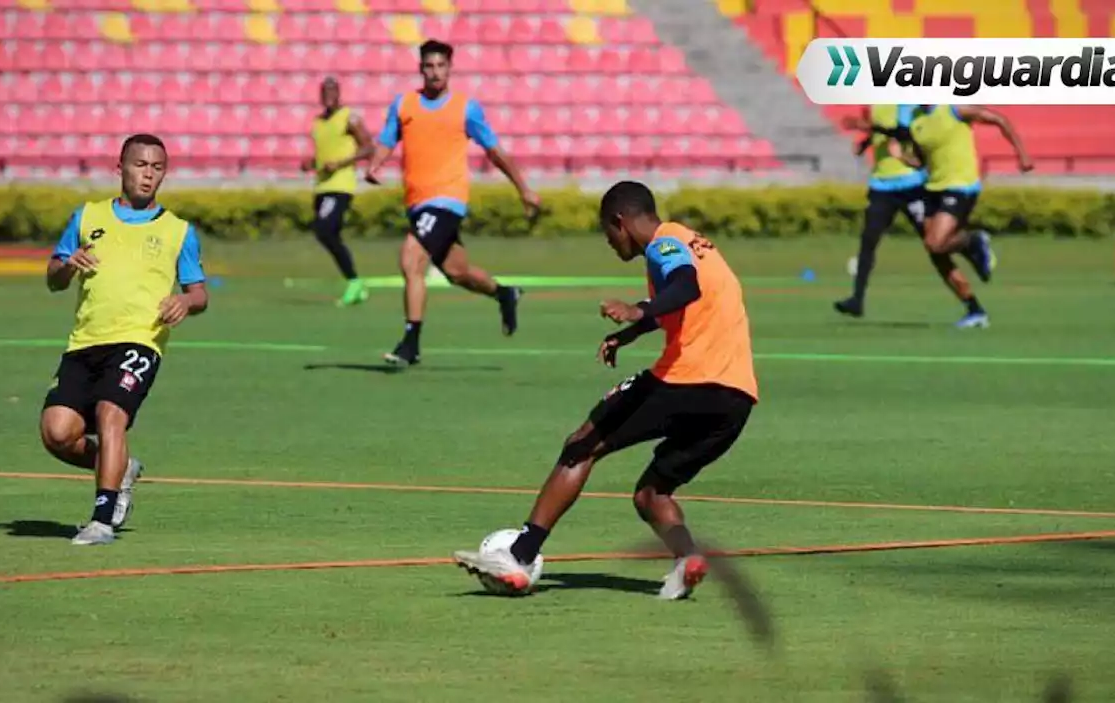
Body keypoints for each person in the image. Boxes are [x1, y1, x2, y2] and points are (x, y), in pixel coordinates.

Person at [453, 181, 758, 600]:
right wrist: (634, 331)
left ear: (621, 221)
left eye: (608, 234)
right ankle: (687, 557)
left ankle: (519, 556)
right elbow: (687, 299)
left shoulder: (664, 244)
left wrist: (640, 308)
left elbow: (686, 286)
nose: (610, 244)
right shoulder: (695, 242)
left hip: (689, 379)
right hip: (736, 398)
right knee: (651, 494)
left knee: (581, 445)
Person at [40, 133, 209, 546]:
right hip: (85, 341)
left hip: (140, 340)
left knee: (109, 412)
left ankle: (101, 519)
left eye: (157, 168)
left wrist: (185, 302)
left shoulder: (178, 231)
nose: (148, 175)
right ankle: (121, 467)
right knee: (57, 434)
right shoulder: (87, 217)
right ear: (120, 168)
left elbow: (200, 293)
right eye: (140, 165)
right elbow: (54, 278)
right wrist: (68, 266)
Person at [364, 39, 541, 367]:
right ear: (420, 69)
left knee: (411, 258)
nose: (435, 72)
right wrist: (375, 164)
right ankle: (504, 293)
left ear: (450, 68)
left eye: (440, 66)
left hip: (447, 199)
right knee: (457, 272)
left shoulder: (465, 108)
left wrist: (523, 188)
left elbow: (495, 151)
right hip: (417, 202)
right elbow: (386, 141)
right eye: (429, 66)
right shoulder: (403, 106)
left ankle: (410, 343)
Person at [894, 105, 1034, 329]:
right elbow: (923, 161)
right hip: (933, 189)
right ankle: (974, 310)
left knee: (935, 242)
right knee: (935, 253)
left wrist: (1022, 154)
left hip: (960, 187)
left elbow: (1000, 119)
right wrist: (903, 158)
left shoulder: (955, 109)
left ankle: (974, 240)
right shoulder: (916, 120)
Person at [834, 105, 977, 323]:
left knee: (936, 250)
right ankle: (857, 300)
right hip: (881, 185)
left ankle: (973, 304)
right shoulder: (872, 104)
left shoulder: (907, 103)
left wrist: (868, 127)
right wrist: (865, 143)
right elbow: (879, 134)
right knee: (868, 240)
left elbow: (904, 133)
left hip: (912, 184)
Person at [308, 76, 374, 307]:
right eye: (324, 91)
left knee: (325, 230)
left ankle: (354, 282)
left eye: (332, 91)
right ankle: (356, 284)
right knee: (327, 235)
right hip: (321, 186)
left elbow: (368, 147)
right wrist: (311, 163)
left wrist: (342, 163)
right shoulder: (317, 122)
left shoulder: (349, 118)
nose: (328, 96)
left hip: (340, 186)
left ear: (339, 93)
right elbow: (324, 153)